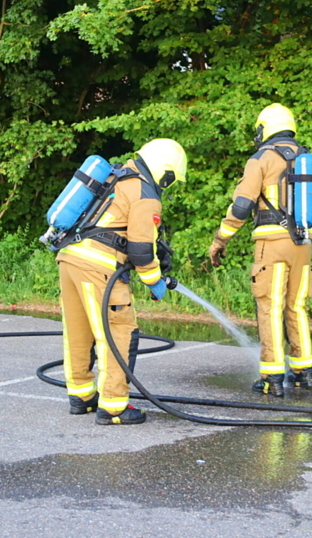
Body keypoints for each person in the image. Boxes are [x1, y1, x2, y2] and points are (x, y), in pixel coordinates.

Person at [56, 138, 187, 424]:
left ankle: (81, 396)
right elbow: (141, 249)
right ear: (165, 171)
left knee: (79, 332)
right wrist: (154, 281)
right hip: (99, 267)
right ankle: (114, 406)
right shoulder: (144, 191)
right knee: (119, 332)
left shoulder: (117, 175)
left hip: (70, 258)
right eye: (170, 179)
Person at [208, 104, 312, 397]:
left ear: (264, 128)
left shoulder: (262, 159)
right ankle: (303, 373)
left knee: (270, 308)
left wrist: (220, 241)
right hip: (304, 244)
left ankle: (272, 378)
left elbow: (242, 206)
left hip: (273, 245)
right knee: (297, 307)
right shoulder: (305, 158)